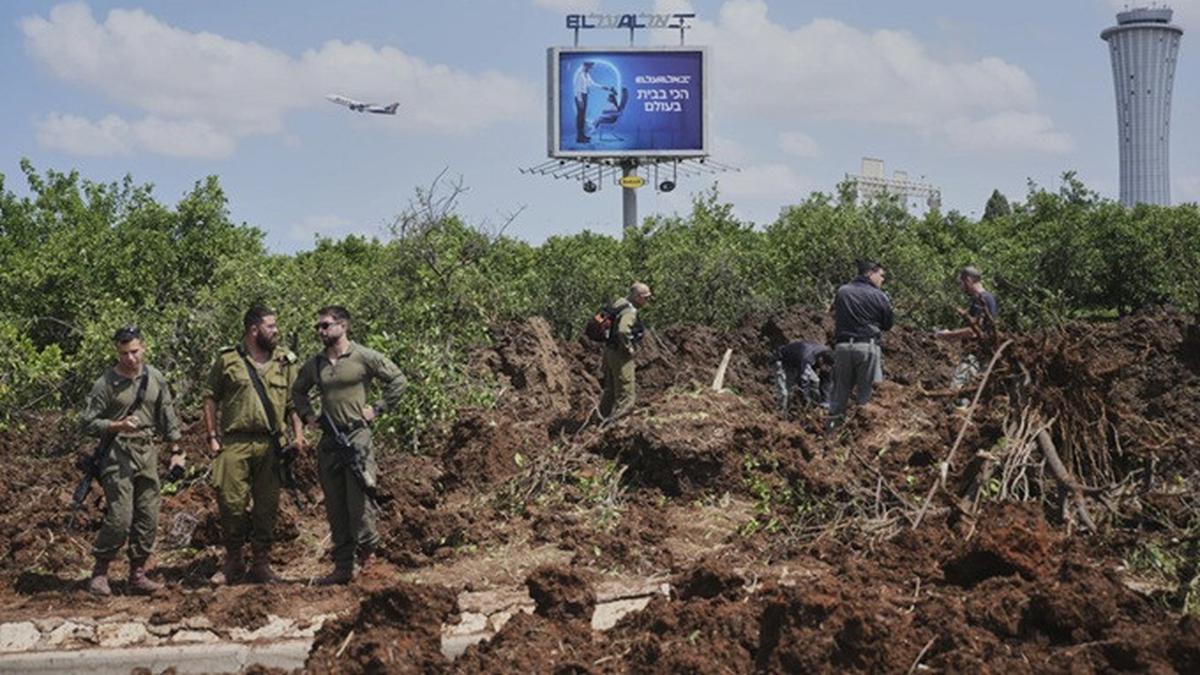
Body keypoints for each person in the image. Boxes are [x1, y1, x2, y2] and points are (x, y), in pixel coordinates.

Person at [292, 306, 406, 585]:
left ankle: (368, 561)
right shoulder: (316, 363)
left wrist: (377, 409)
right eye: (318, 327)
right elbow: (297, 390)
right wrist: (308, 416)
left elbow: (398, 380)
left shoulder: (363, 356)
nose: (321, 331)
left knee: (359, 501)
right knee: (335, 503)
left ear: (343, 326)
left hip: (356, 438)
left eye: (326, 325)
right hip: (330, 440)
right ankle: (343, 566)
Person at [204, 306, 305, 586]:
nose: (276, 331)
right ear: (253, 330)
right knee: (230, 503)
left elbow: (294, 403)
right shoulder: (227, 360)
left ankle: (261, 563)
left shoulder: (285, 361)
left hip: (271, 443)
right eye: (270, 326)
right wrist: (212, 436)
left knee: (267, 506)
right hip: (235, 442)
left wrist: (298, 436)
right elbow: (210, 398)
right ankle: (234, 560)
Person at [81, 325, 183, 596]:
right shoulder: (106, 383)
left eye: (135, 351)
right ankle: (100, 572)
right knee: (120, 516)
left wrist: (176, 450)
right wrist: (117, 425)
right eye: (124, 353)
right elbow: (88, 423)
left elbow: (167, 415)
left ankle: (138, 574)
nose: (130, 358)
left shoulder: (155, 378)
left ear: (144, 347)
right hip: (117, 452)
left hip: (146, 451)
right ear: (117, 352)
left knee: (149, 513)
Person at [828, 261, 894, 428]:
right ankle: (863, 436)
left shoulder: (842, 291)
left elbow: (836, 315)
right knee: (867, 394)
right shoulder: (879, 296)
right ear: (870, 273)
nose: (882, 280)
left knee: (840, 392)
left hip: (843, 347)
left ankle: (832, 433)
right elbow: (888, 324)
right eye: (881, 275)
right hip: (867, 346)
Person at [935, 265, 1000, 397]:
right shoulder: (988, 298)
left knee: (957, 388)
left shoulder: (982, 299)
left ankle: (957, 414)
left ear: (969, 280)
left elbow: (973, 331)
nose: (961, 287)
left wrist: (949, 335)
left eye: (962, 283)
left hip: (977, 354)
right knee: (972, 390)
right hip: (985, 352)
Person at [599, 282, 651, 422]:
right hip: (620, 354)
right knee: (626, 391)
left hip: (608, 351)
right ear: (637, 297)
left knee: (610, 389)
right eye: (645, 297)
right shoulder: (630, 311)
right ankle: (619, 422)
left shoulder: (619, 302)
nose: (647, 301)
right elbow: (623, 330)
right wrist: (629, 348)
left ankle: (600, 418)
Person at [773, 341, 833, 419]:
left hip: (797, 363)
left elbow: (826, 381)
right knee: (785, 393)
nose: (825, 369)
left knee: (815, 381)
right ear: (821, 360)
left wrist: (825, 403)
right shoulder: (807, 357)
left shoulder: (828, 357)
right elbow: (803, 382)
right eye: (824, 366)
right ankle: (781, 416)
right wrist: (805, 400)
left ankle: (814, 405)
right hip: (782, 361)